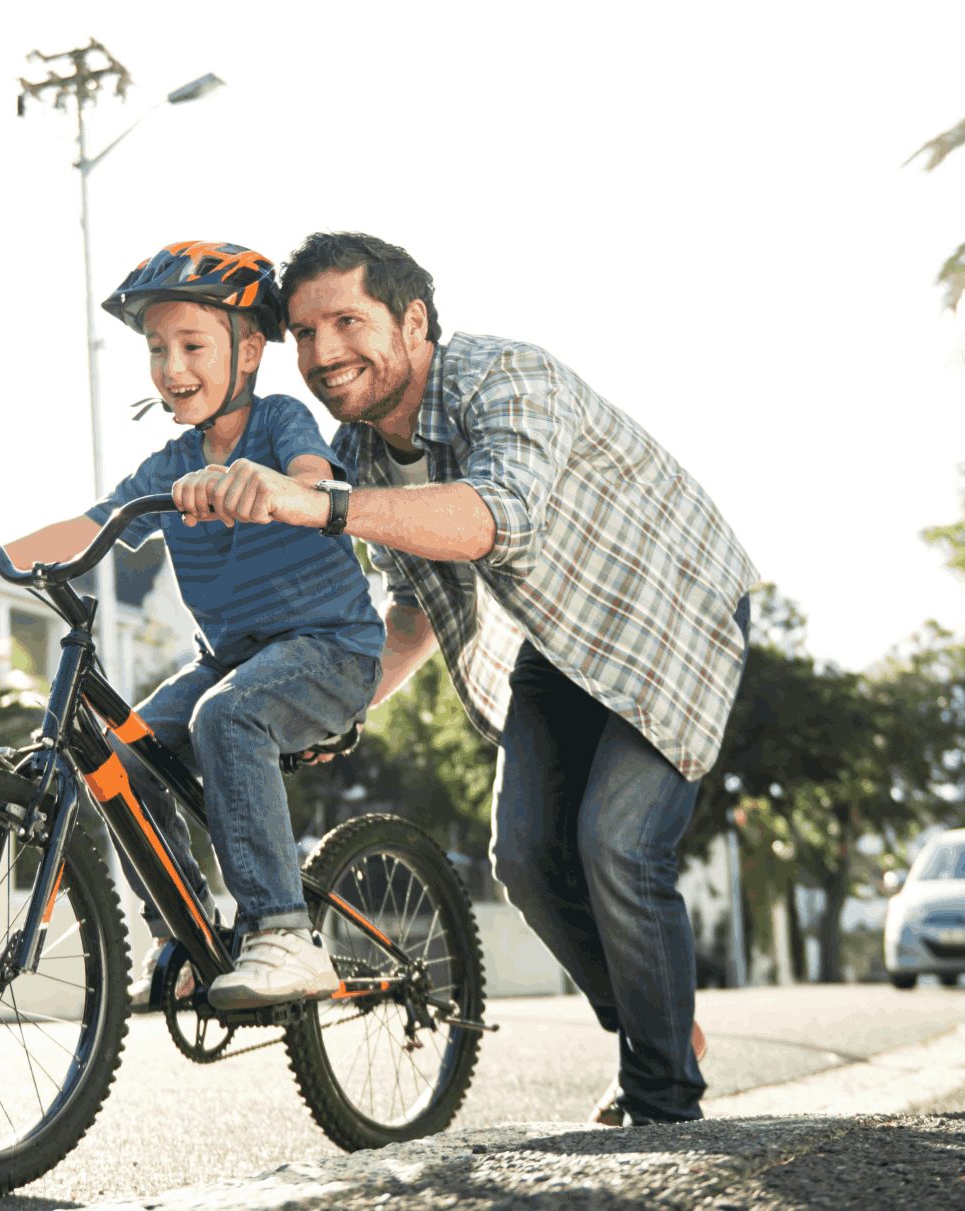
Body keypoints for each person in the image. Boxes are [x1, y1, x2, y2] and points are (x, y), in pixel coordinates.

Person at [172, 231, 756, 1125]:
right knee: (522, 855)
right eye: (304, 330)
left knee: (617, 843)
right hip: (560, 641)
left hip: (667, 613)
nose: (324, 351)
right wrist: (335, 705)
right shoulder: (362, 449)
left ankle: (664, 1098)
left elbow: (497, 520)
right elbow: (408, 610)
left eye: (347, 321)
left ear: (413, 320)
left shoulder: (505, 377)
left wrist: (314, 502)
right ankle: (661, 1028)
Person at [0, 240, 386, 1010]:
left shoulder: (279, 420)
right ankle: (187, 932)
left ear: (250, 349)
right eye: (157, 349)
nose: (171, 367)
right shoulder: (168, 465)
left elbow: (315, 479)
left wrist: (268, 485)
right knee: (125, 756)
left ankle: (283, 931)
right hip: (233, 656)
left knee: (225, 715)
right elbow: (92, 525)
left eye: (192, 345)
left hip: (331, 648)